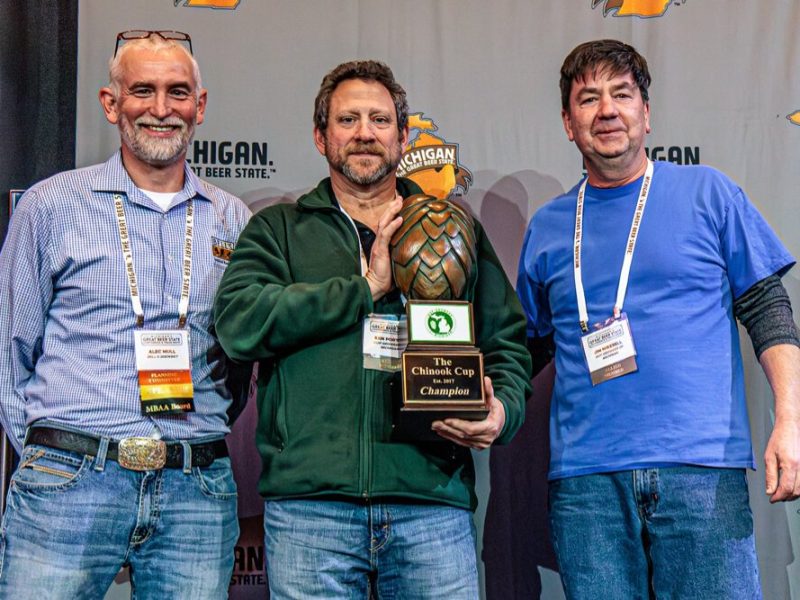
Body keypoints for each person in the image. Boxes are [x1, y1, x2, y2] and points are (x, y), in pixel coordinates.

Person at [214, 60, 531, 599]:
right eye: (348, 120)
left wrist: (502, 411)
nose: (365, 133)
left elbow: (506, 343)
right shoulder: (279, 229)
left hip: (430, 502)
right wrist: (364, 288)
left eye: (380, 120)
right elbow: (240, 323)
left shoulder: (454, 228)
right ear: (321, 137)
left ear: (403, 136)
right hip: (312, 513)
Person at [517, 38, 800, 599]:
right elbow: (530, 349)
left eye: (622, 95)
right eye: (588, 98)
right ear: (568, 122)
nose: (607, 111)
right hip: (586, 485)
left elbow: (768, 307)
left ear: (646, 114)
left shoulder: (710, 193)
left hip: (700, 471)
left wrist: (789, 421)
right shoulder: (548, 228)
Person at [0, 31, 251, 598]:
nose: (161, 109)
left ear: (201, 106)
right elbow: (11, 350)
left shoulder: (233, 221)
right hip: (70, 480)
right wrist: (49, 458)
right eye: (143, 90)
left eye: (177, 92)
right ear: (111, 103)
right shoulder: (50, 205)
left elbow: (239, 364)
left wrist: (201, 434)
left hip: (196, 489)